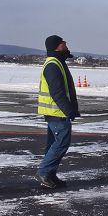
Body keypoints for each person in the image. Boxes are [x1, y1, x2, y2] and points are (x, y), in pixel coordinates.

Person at [37, 35, 80, 189]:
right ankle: (44, 172)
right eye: (63, 43)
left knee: (53, 144)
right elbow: (57, 92)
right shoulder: (53, 64)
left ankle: (50, 174)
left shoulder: (58, 62)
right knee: (62, 143)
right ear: (56, 46)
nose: (66, 44)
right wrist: (69, 110)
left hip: (57, 111)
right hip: (56, 112)